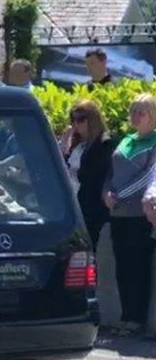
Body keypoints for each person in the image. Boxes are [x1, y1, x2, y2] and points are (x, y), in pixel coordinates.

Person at [103, 94, 156, 336]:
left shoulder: (154, 142)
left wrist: (119, 195)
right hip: (118, 215)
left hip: (139, 215)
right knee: (122, 266)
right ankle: (125, 316)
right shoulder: (125, 141)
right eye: (133, 111)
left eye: (141, 112)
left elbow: (147, 178)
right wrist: (106, 192)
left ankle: (136, 318)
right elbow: (110, 173)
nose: (135, 116)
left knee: (138, 267)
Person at [59, 100, 114, 249]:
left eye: (81, 119)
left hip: (90, 210)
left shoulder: (104, 145)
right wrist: (64, 147)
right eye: (73, 119)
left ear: (93, 120)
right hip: (72, 206)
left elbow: (94, 177)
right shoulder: (77, 144)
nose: (76, 124)